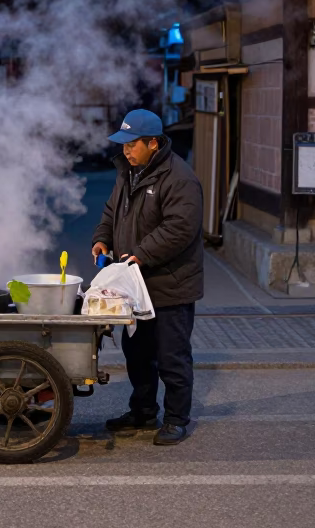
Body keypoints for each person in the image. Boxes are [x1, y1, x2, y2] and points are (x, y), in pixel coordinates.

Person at [91, 108, 203, 445]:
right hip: (135, 285)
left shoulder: (179, 178)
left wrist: (143, 253)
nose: (125, 150)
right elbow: (112, 210)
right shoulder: (128, 171)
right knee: (137, 353)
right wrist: (102, 238)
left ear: (153, 143)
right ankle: (142, 411)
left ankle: (175, 419)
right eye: (122, 143)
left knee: (171, 356)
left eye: (132, 144)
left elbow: (180, 228)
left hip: (170, 283)